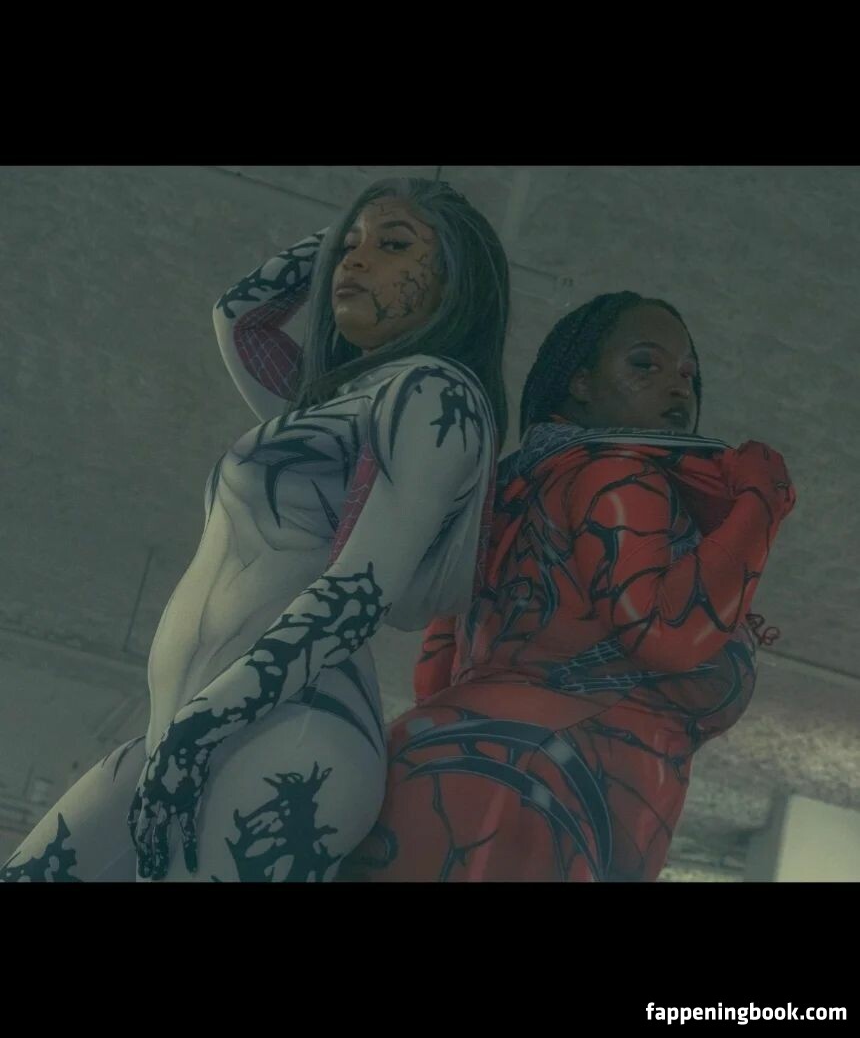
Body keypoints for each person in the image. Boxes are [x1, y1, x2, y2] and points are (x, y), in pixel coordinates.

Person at [0, 177, 509, 882]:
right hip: (194, 727)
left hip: (285, 733)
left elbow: (358, 593)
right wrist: (348, 237)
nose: (355, 261)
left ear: (456, 282)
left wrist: (201, 729)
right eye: (349, 248)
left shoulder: (434, 392)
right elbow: (240, 315)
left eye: (395, 246)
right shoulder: (330, 403)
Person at [343, 291, 795, 882]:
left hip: (445, 771)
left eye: (688, 374)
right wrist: (761, 503)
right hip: (534, 800)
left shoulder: (513, 489)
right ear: (579, 382)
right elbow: (665, 631)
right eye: (645, 364)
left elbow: (436, 673)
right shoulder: (617, 473)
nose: (678, 386)